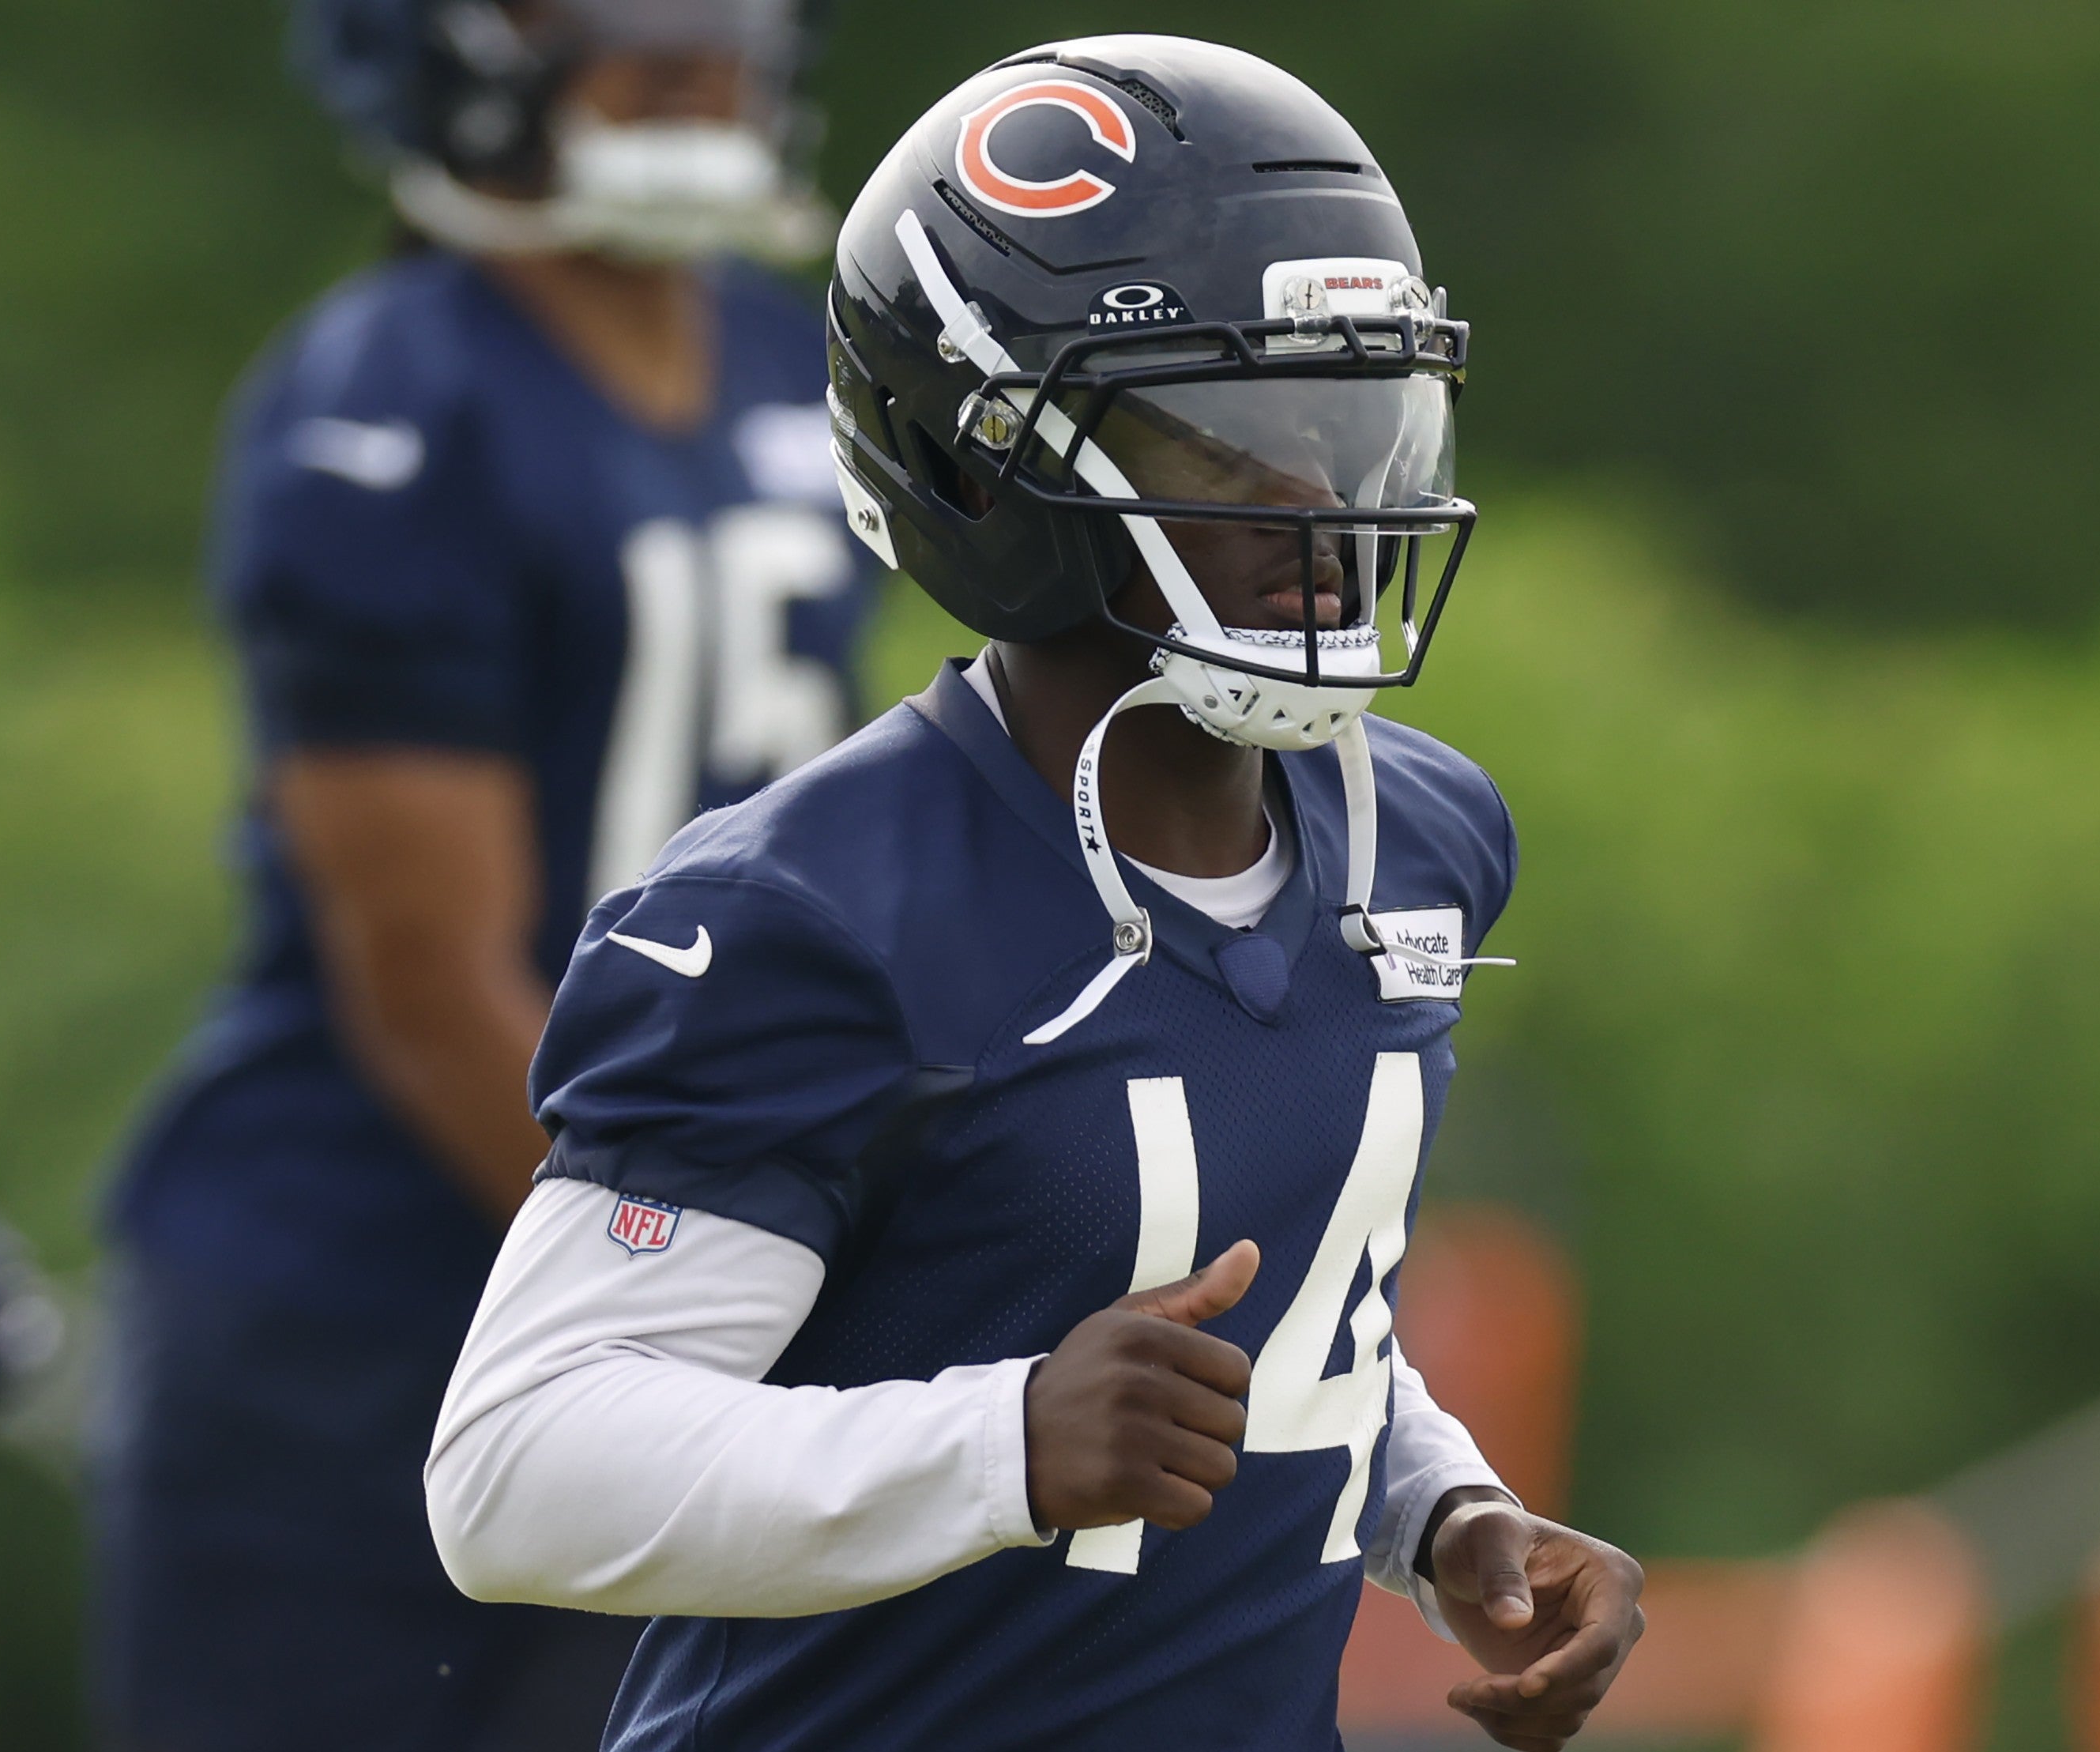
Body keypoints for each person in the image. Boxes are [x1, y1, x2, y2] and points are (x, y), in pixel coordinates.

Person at [424, 34, 1647, 1752]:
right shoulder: (813, 914)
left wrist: (1434, 1507)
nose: (1321, 507)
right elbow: (516, 1465)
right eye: (1230, 447)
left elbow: (1288, 1304)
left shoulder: (1413, 833)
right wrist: (997, 1444)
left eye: (1348, 418)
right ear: (985, 473)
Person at [95, 2, 877, 1747]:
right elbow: (434, 987)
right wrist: (734, 1293)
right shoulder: (391, 395)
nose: (685, 35)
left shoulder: (789, 362)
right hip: (366, 1319)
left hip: (677, 1286)